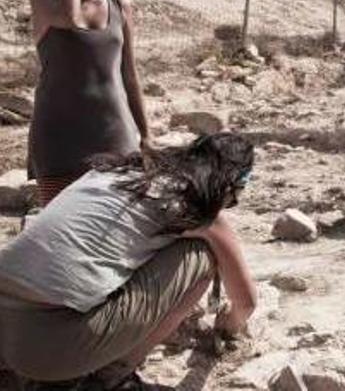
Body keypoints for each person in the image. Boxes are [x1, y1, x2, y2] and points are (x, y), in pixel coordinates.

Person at [0, 133, 257, 389]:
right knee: (200, 254)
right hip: (47, 353)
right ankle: (112, 376)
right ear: (231, 185)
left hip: (5, 326)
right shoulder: (194, 207)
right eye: (235, 197)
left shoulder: (111, 173)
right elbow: (246, 302)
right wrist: (228, 326)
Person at [28, 0, 151, 207]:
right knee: (63, 235)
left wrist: (146, 134)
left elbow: (129, 75)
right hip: (59, 141)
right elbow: (71, 19)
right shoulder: (44, 0)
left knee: (116, 232)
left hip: (116, 138)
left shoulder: (120, 6)